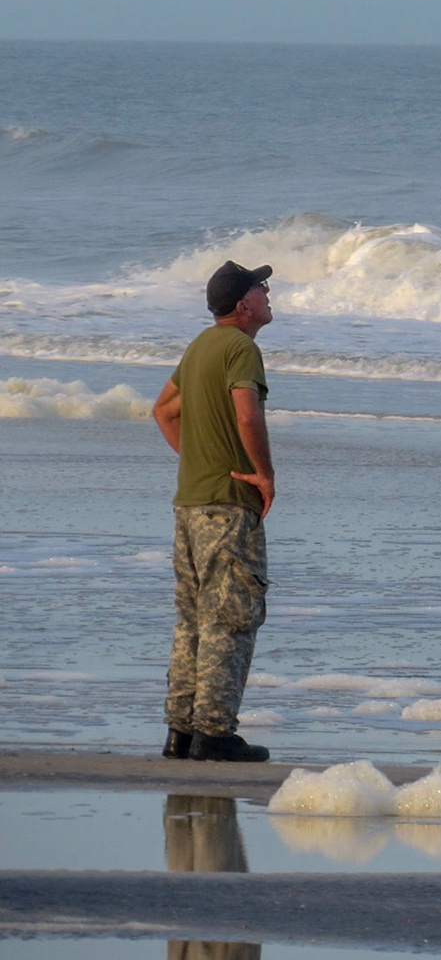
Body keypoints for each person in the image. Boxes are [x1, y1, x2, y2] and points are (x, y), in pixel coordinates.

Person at [151, 260, 277, 762]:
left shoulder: (200, 345)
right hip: (227, 508)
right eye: (260, 287)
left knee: (192, 619)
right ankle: (214, 732)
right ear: (243, 306)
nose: (268, 292)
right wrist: (263, 474)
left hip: (190, 505)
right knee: (231, 616)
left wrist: (200, 459)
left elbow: (164, 410)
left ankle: (181, 731)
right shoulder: (241, 348)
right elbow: (247, 414)